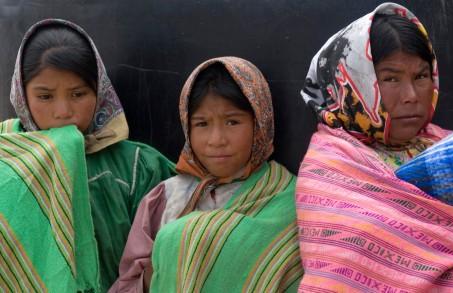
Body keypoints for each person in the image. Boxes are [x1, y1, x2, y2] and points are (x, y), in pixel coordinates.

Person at [296, 3, 453, 292]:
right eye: (390, 79)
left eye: (421, 76)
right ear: (352, 82)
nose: (412, 96)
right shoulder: (330, 166)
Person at [0, 19, 175, 291]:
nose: (63, 111)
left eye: (78, 94)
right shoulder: (7, 163)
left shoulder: (137, 167)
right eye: (45, 96)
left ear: (100, 91)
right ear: (22, 95)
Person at [112, 57, 302, 292]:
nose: (217, 140)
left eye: (232, 122)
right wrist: (175, 260)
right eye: (202, 124)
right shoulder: (166, 198)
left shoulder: (289, 201)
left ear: (260, 124)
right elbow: (128, 283)